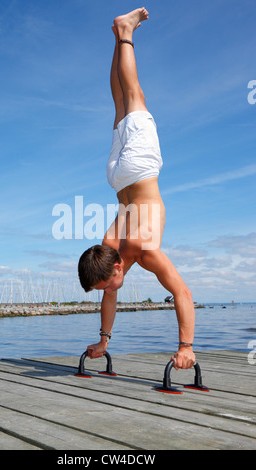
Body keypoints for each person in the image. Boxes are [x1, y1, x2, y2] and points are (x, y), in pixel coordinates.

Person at [78, 8, 196, 370]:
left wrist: (186, 345)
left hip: (137, 170)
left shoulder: (143, 250)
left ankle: (125, 33)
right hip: (116, 176)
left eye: (109, 286)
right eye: (105, 291)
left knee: (134, 96)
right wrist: (103, 341)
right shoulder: (107, 251)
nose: (110, 293)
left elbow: (182, 293)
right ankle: (119, 35)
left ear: (113, 270)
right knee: (121, 102)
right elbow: (109, 294)